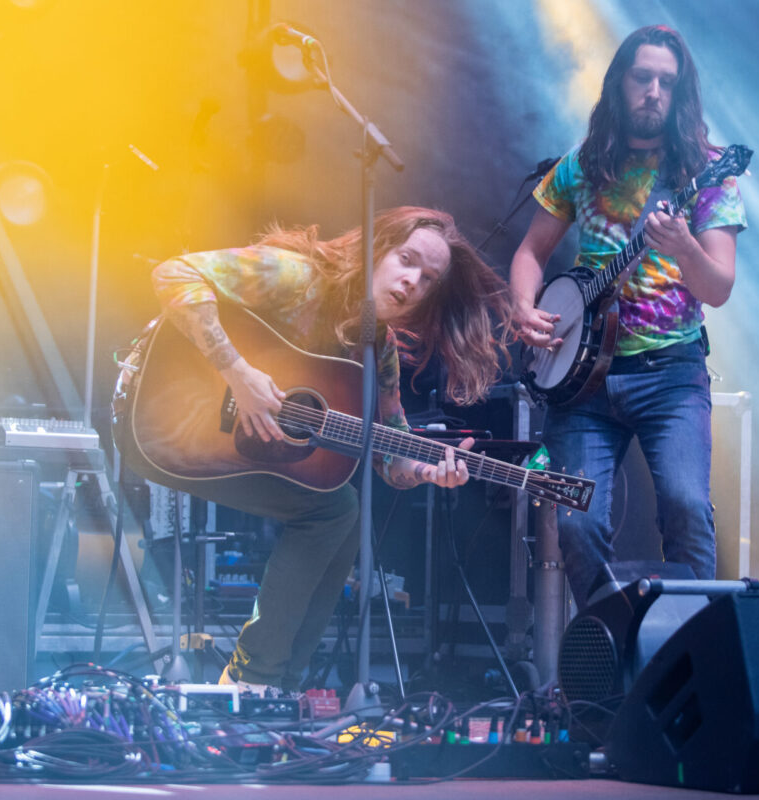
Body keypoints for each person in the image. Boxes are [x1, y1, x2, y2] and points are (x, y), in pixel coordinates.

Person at [140, 206, 512, 692]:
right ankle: (254, 679)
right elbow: (172, 273)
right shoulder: (297, 278)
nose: (411, 282)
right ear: (377, 248)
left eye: (427, 279)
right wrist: (239, 373)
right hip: (163, 413)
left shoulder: (377, 350)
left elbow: (389, 452)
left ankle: (278, 688)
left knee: (344, 510)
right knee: (334, 511)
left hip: (214, 445)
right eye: (405, 260)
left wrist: (427, 471)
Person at [510, 25, 746, 609]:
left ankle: (689, 663)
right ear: (619, 82)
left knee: (688, 509)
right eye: (643, 77)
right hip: (580, 380)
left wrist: (683, 246)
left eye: (668, 82)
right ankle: (611, 652)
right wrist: (522, 306)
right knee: (576, 525)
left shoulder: (708, 172)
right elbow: (529, 253)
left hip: (671, 374)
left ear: (681, 93)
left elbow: (717, 287)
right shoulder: (580, 166)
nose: (654, 91)